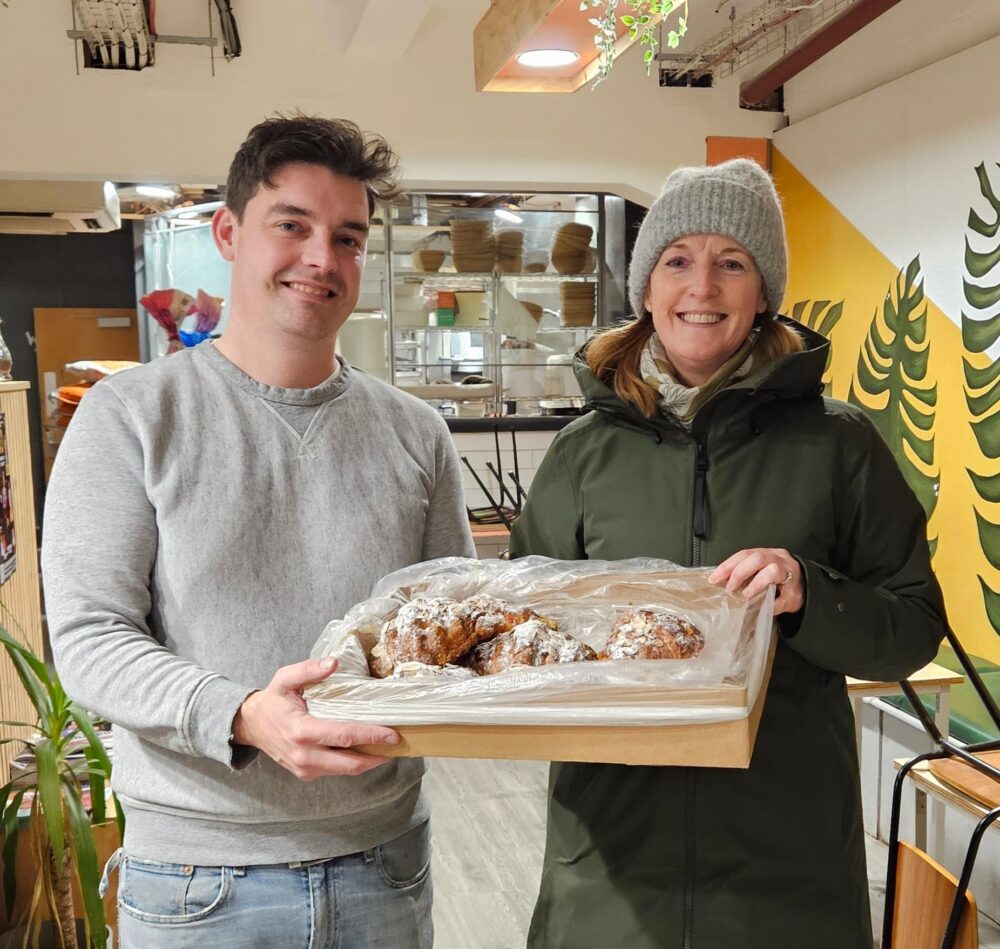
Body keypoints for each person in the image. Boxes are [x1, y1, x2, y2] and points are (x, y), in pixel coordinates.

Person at [41, 115, 475, 949]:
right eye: (293, 226)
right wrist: (242, 714)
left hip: (381, 860)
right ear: (229, 233)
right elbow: (90, 638)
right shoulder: (131, 416)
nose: (322, 258)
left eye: (347, 237)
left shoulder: (417, 432)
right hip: (197, 882)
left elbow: (451, 628)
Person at [509, 158, 948, 949]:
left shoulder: (838, 443)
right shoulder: (582, 454)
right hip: (610, 869)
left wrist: (809, 592)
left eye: (731, 263)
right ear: (647, 289)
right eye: (677, 260)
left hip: (785, 874)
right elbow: (515, 627)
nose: (701, 288)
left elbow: (914, 626)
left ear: (763, 291)